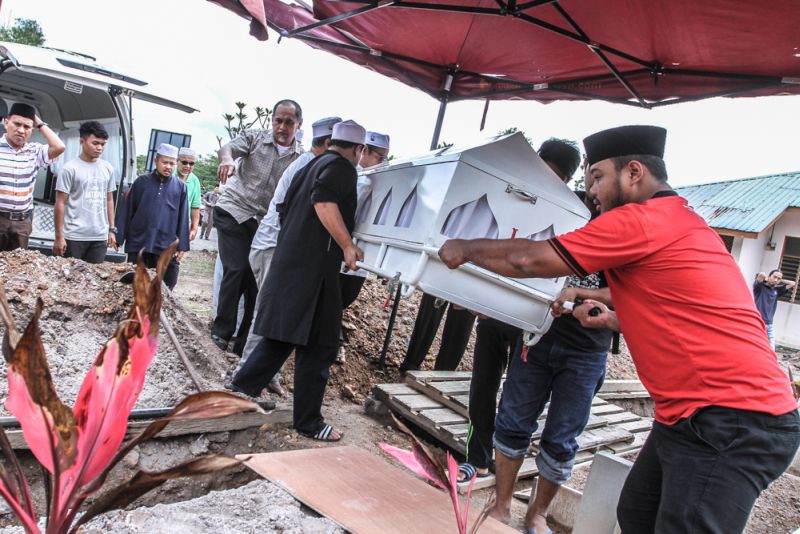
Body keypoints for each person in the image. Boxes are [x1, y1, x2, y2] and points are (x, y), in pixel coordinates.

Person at [439, 125, 799, 533]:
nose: (590, 189)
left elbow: (532, 260)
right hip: (687, 415)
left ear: (633, 173)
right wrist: (614, 319)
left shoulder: (642, 219)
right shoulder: (680, 221)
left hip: (732, 417)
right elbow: (684, 310)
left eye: (597, 178)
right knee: (637, 515)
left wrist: (464, 247)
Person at [458, 140, 613, 534]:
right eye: (591, 176)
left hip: (585, 352)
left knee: (562, 437)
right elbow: (521, 254)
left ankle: (537, 514)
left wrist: (584, 295)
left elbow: (633, 294)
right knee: (512, 422)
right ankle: (503, 505)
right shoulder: (565, 210)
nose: (593, 187)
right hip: (537, 336)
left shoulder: (627, 227)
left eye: (600, 177)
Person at [230, 120, 366, 442]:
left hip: (292, 264)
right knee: (321, 346)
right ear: (357, 149)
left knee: (284, 335)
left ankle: (242, 387)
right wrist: (347, 244)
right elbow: (323, 202)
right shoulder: (342, 168)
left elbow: (286, 208)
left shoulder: (308, 165)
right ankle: (308, 421)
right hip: (314, 271)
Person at [238, 116, 342, 395]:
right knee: (269, 313)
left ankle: (266, 375)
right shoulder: (310, 167)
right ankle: (245, 375)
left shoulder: (311, 164)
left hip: (276, 246)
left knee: (278, 316)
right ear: (329, 143)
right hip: (274, 246)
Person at [212, 99, 304, 355]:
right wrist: (227, 160)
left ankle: (243, 343)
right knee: (237, 267)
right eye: (278, 120)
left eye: (288, 122)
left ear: (298, 124)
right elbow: (228, 148)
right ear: (272, 120)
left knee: (257, 281)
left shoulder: (300, 158)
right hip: (233, 211)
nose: (282, 127)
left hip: (264, 224)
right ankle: (220, 332)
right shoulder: (254, 138)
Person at [337, 130, 391, 363]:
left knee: (347, 295)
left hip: (363, 254)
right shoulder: (351, 177)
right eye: (380, 157)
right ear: (364, 151)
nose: (384, 163)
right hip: (343, 249)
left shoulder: (384, 182)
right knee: (334, 296)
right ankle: (333, 340)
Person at [116, 143, 189, 290]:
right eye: (164, 162)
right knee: (135, 284)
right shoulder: (141, 182)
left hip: (164, 242)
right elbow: (128, 209)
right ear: (156, 161)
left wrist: (182, 246)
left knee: (164, 286)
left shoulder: (180, 187)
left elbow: (183, 216)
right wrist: (119, 236)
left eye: (172, 163)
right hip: (139, 240)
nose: (168, 166)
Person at [0, 103, 65, 250]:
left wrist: (40, 123)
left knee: (18, 269)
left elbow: (59, 147)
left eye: (27, 127)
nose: (21, 130)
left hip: (22, 223)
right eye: (17, 124)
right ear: (6, 122)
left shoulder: (35, 151)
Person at [53, 121, 116, 263]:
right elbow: (60, 203)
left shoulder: (108, 168)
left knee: (93, 281)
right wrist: (59, 237)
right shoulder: (69, 168)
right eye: (95, 143)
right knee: (68, 280)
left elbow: (109, 200)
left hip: (99, 237)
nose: (99, 148)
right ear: (82, 141)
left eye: (103, 144)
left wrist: (111, 230)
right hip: (73, 236)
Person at [753, 269, 796, 349]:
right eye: (774, 277)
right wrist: (768, 279)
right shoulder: (759, 287)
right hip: (757, 322)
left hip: (769, 324)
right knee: (755, 346)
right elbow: (761, 274)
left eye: (778, 279)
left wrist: (779, 280)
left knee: (771, 349)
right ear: (769, 276)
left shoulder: (777, 290)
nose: (776, 280)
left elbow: (792, 283)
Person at [175, 147, 202, 240]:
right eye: (184, 162)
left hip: (182, 225)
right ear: (177, 161)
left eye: (191, 163)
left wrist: (194, 229)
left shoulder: (195, 181)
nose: (188, 166)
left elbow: (195, 207)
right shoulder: (169, 175)